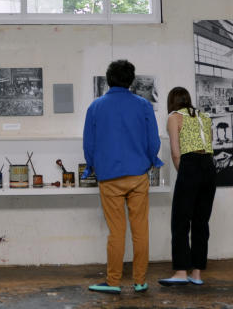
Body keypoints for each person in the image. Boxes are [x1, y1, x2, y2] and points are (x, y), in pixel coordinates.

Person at [83, 59, 163, 295]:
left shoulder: (95, 107)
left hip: (109, 177)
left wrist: (92, 166)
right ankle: (139, 281)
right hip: (138, 175)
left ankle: (113, 281)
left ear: (109, 79)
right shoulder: (143, 105)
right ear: (131, 80)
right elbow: (153, 142)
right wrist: (150, 160)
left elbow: (89, 144)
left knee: (116, 232)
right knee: (140, 230)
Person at [160, 87, 217, 287]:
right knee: (201, 222)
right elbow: (209, 143)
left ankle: (181, 272)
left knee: (181, 221)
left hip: (190, 165)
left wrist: (183, 172)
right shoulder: (205, 116)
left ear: (172, 101)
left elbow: (176, 152)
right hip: (209, 166)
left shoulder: (174, 117)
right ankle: (197, 273)